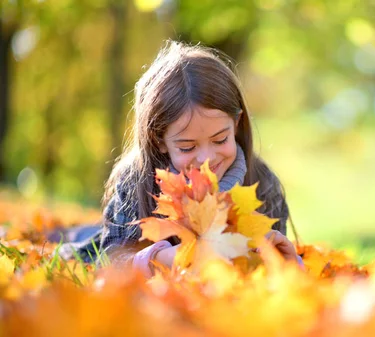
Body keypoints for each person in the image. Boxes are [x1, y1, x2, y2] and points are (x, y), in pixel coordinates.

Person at [66, 40, 300, 276]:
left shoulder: (262, 183)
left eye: (220, 140)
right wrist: (163, 257)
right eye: (187, 147)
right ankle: (72, 234)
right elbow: (109, 261)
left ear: (236, 124)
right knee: (80, 239)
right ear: (159, 140)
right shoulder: (136, 181)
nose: (207, 159)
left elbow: (274, 271)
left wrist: (286, 264)